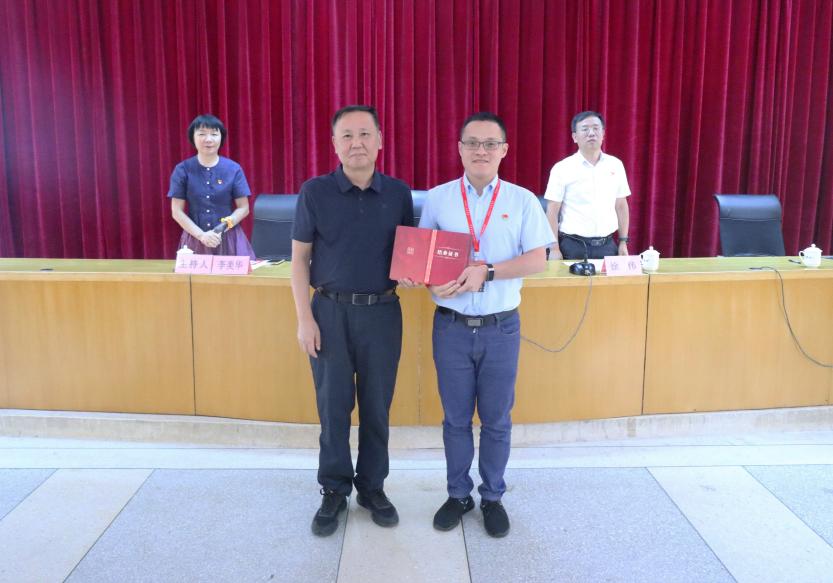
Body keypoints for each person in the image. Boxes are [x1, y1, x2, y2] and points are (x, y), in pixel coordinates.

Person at [418, 112, 554, 538]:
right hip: (451, 327)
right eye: (472, 143)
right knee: (456, 419)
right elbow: (423, 259)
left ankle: (492, 497)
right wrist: (428, 280)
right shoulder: (438, 199)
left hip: (501, 328)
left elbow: (538, 259)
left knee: (496, 420)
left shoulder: (522, 200)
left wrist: (488, 272)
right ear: (459, 148)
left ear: (504, 150)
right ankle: (458, 494)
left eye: (490, 143)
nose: (481, 150)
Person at [290, 105, 414, 537]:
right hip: (329, 312)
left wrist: (413, 274)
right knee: (333, 407)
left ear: (380, 140)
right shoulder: (314, 192)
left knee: (377, 407)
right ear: (334, 144)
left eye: (364, 134)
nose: (356, 143)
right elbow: (299, 260)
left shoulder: (398, 193)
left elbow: (407, 255)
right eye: (347, 135)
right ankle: (334, 489)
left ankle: (372, 487)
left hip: (383, 313)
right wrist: (304, 319)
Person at [544, 111, 631, 260]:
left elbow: (621, 206)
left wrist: (623, 242)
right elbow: (552, 212)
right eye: (585, 129)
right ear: (574, 137)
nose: (591, 133)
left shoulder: (615, 165)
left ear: (603, 134)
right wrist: (554, 248)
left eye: (596, 128)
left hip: (608, 245)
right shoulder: (562, 168)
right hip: (572, 246)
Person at [168, 114, 255, 259]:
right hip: (195, 238)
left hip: (228, 237)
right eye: (202, 134)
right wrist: (201, 235)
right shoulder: (182, 169)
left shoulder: (233, 169)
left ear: (221, 138)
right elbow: (176, 211)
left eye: (214, 134)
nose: (208, 139)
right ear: (193, 138)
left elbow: (244, 208)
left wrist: (222, 228)